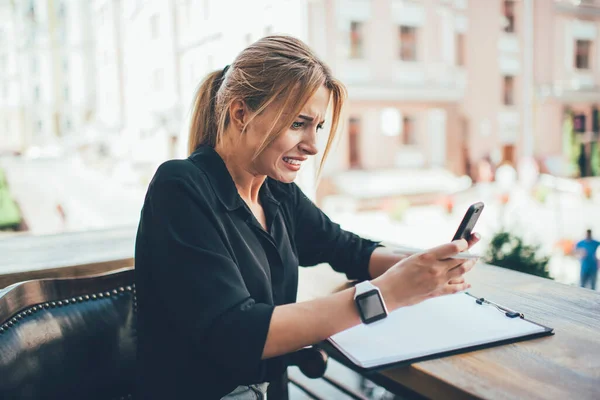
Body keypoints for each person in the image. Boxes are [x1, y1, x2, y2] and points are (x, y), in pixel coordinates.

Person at [134, 35, 480, 400]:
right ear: (240, 113)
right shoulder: (180, 187)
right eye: (298, 124)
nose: (313, 145)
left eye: (317, 127)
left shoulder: (275, 191)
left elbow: (345, 249)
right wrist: (388, 293)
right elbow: (235, 332)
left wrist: (425, 266)